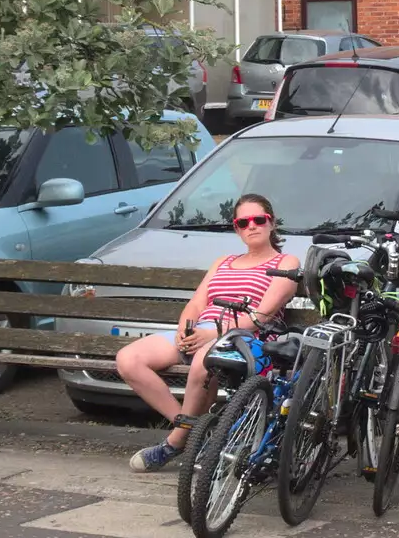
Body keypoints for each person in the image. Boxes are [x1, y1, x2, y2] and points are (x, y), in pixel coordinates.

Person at [114, 193, 299, 471]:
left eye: (259, 219)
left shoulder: (286, 263)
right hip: (201, 332)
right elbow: (198, 302)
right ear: (236, 228)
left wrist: (213, 334)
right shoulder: (223, 261)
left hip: (245, 338)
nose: (251, 226)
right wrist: (184, 328)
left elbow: (261, 316)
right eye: (243, 222)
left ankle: (174, 444)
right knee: (128, 359)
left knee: (203, 361)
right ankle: (197, 432)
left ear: (271, 223)